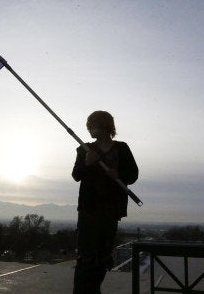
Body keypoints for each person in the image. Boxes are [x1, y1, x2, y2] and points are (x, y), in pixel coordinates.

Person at [72, 110, 139, 294]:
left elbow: (133, 175)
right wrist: (87, 162)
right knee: (85, 255)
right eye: (88, 125)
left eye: (91, 124)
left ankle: (92, 290)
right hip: (88, 209)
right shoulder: (84, 149)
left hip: (111, 210)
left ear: (104, 126)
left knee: (102, 255)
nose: (88, 128)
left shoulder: (122, 149)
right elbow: (76, 175)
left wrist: (119, 174)